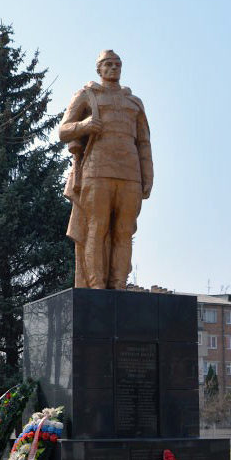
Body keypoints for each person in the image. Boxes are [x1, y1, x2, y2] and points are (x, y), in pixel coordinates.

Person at [60, 50, 153, 290]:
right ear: (99, 70)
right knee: (96, 228)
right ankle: (96, 285)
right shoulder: (86, 95)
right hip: (96, 170)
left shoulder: (134, 102)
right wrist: (85, 125)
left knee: (124, 232)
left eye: (117, 64)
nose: (114, 68)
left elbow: (143, 142)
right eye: (108, 64)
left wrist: (148, 175)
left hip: (130, 174)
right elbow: (63, 131)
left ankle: (118, 284)